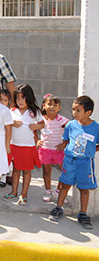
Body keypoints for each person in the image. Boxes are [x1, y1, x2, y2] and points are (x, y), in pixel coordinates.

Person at [49, 96, 99, 230]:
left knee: (84, 189)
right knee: (65, 185)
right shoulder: (71, 125)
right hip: (70, 160)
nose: (74, 113)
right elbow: (66, 140)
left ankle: (83, 214)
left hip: (85, 162)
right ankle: (58, 207)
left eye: (78, 110)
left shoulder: (95, 128)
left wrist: (91, 150)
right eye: (73, 110)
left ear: (88, 113)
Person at [3, 84, 44, 205]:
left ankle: (24, 194)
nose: (20, 101)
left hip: (28, 147)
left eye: (23, 97)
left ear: (29, 98)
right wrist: (12, 123)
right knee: (15, 170)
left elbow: (42, 124)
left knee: (26, 171)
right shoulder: (12, 111)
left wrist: (37, 126)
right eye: (18, 98)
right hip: (14, 145)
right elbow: (5, 124)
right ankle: (14, 192)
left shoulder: (34, 111)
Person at [38, 94, 69, 202]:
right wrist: (36, 140)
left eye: (55, 105)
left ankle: (58, 191)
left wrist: (65, 143)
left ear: (59, 108)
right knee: (46, 171)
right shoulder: (41, 119)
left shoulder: (62, 120)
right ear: (44, 106)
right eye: (49, 104)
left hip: (58, 151)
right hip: (45, 150)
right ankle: (48, 190)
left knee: (65, 170)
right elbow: (32, 129)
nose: (52, 107)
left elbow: (72, 131)